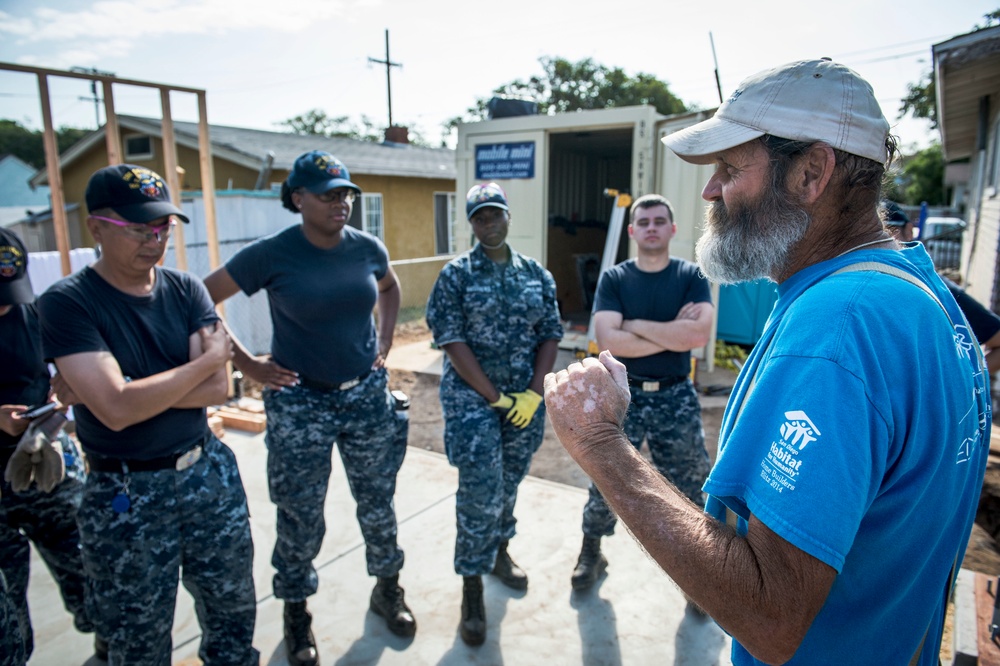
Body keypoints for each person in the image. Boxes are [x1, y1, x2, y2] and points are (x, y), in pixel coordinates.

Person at [543, 59, 990, 665]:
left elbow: (770, 615)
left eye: (729, 168)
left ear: (811, 173)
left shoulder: (836, 327)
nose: (710, 190)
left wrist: (601, 446)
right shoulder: (917, 293)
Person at [37, 164, 258, 666]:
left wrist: (131, 385)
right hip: (126, 495)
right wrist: (201, 362)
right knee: (136, 639)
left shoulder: (185, 289)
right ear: (96, 227)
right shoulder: (68, 303)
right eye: (139, 228)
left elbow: (219, 388)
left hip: (204, 475)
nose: (154, 239)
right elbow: (115, 410)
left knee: (231, 616)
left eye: (163, 227)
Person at [203, 150, 411, 664]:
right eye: (327, 194)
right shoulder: (272, 254)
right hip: (299, 403)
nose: (340, 203)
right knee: (299, 516)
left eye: (345, 194)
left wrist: (385, 343)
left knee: (378, 502)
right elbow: (201, 298)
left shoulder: (366, 247)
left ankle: (388, 587)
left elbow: (389, 287)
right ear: (297, 199)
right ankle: (296, 611)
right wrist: (248, 365)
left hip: (364, 396)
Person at [425, 182, 563, 646]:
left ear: (507, 216)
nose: (489, 224)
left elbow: (549, 334)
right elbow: (452, 341)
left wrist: (532, 393)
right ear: (471, 223)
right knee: (481, 485)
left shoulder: (535, 274)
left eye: (495, 215)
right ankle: (471, 585)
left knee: (510, 480)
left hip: (523, 398)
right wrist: (494, 398)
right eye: (480, 217)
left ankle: (500, 551)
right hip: (472, 401)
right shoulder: (456, 275)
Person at [570, 194, 714, 594]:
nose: (651, 227)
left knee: (690, 484)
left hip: (675, 396)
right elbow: (607, 341)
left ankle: (701, 577)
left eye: (659, 220)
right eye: (644, 221)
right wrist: (670, 331)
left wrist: (633, 325)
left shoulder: (691, 276)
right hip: (623, 395)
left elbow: (697, 335)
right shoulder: (616, 279)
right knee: (607, 479)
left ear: (672, 229)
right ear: (632, 231)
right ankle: (591, 552)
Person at [0, 228, 104, 662]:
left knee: (92, 575)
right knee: (6, 623)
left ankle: (108, 646)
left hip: (45, 467)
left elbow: (64, 374)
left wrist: (62, 400)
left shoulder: (32, 314)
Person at [882, 200, 1000, 374]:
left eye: (889, 232)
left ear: (908, 231)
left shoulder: (936, 290)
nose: (880, 243)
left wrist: (964, 383)